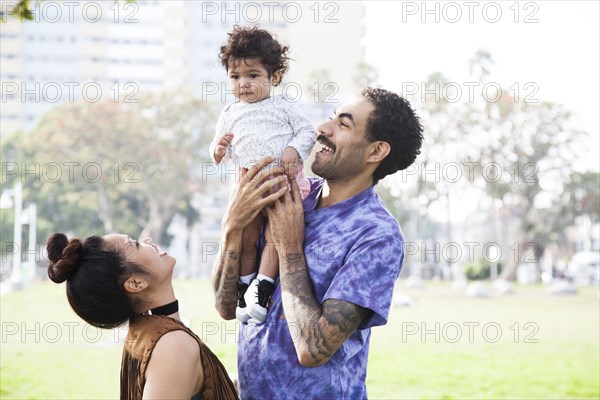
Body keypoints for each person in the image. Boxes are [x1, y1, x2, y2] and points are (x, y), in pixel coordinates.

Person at [212, 87, 424, 398]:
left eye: (344, 124)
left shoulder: (376, 235)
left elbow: (313, 348)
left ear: (375, 152)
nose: (322, 130)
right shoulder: (285, 193)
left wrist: (289, 248)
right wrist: (232, 227)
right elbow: (227, 306)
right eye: (330, 118)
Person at [209, 26, 317, 323]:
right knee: (247, 236)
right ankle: (245, 287)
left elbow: (307, 132)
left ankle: (264, 286)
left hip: (282, 183)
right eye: (235, 77)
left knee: (274, 236)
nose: (243, 83)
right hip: (249, 186)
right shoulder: (230, 112)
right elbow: (219, 143)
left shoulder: (282, 106)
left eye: (253, 75)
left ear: (274, 77)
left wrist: (294, 149)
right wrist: (218, 150)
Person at [46, 232, 238, 399]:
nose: (148, 240)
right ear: (136, 283)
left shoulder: (143, 332)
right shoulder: (173, 345)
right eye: (136, 244)